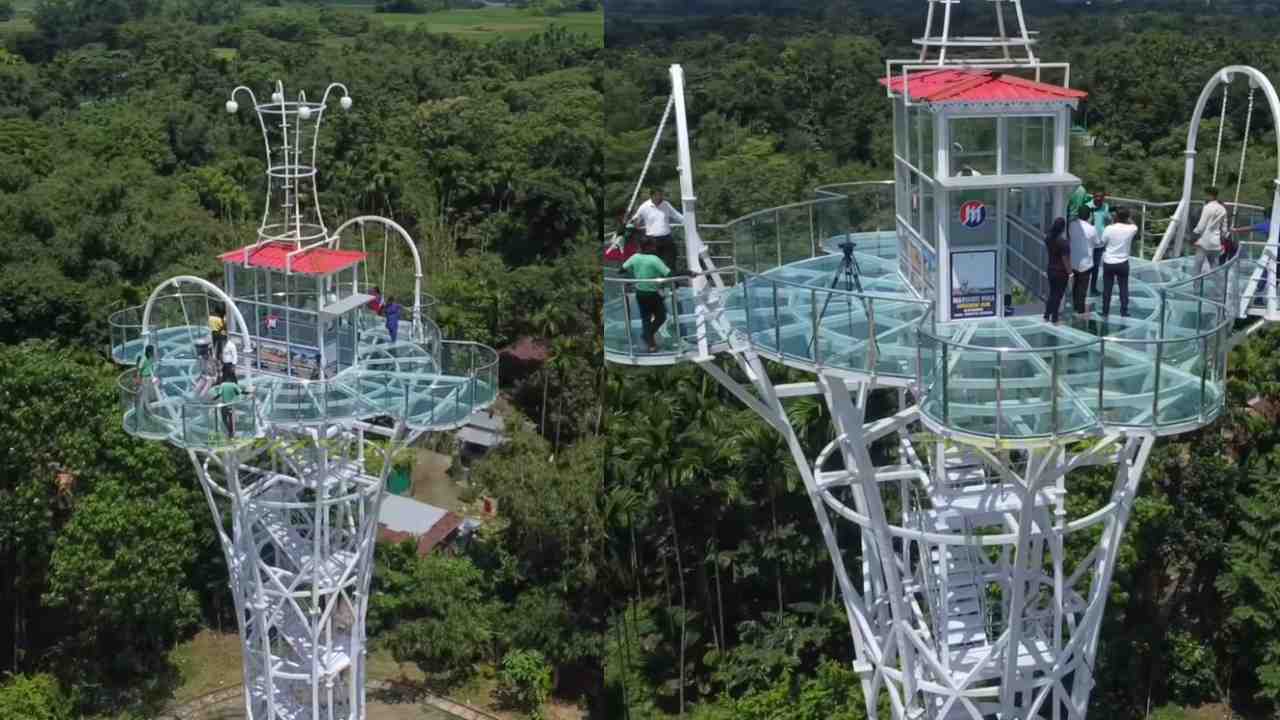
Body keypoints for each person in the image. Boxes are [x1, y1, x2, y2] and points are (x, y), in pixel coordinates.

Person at [621, 238, 673, 353]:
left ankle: (648, 338)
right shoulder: (654, 259)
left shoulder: (635, 257)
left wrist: (634, 275)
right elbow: (669, 273)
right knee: (661, 316)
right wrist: (688, 273)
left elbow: (622, 269)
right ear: (649, 247)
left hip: (640, 293)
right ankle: (649, 340)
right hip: (652, 294)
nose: (654, 248)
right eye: (653, 246)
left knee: (646, 319)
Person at [629, 188, 684, 272]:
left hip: (666, 238)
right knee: (653, 264)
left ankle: (674, 282)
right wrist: (633, 223)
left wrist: (690, 221)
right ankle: (655, 283)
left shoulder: (666, 204)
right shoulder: (644, 206)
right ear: (651, 196)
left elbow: (677, 216)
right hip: (651, 241)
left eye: (660, 195)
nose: (659, 197)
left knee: (671, 261)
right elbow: (636, 219)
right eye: (657, 195)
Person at [1231, 210, 1275, 306]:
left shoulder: (1269, 224)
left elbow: (1252, 228)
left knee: (1264, 275)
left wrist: (1235, 230)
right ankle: (1265, 297)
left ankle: (1258, 298)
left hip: (1273, 253)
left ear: (1266, 217)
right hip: (1275, 254)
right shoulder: (1275, 224)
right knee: (1272, 275)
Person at [1101, 207, 1139, 318]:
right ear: (1127, 217)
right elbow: (1133, 224)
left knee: (1107, 288)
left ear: (1116, 216)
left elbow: (1103, 242)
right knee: (1123, 288)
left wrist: (1114, 221)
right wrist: (1127, 218)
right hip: (1123, 263)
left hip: (1109, 262)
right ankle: (1124, 311)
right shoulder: (1132, 228)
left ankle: (1105, 312)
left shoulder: (1109, 228)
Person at [1067, 205, 1099, 317]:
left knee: (1075, 285)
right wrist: (1093, 225)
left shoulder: (1071, 225)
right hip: (1086, 262)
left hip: (1073, 260)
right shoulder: (1092, 228)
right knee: (1083, 287)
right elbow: (1097, 242)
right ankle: (1080, 309)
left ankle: (1075, 305)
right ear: (1089, 215)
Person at [1192, 186, 1228, 275]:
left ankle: (1196, 288)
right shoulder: (1223, 209)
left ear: (1210, 195)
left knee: (1197, 268)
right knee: (1215, 269)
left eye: (1205, 194)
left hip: (1204, 242)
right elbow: (1224, 229)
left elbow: (1201, 226)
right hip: (1216, 242)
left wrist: (1193, 236)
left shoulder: (1207, 207)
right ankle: (1217, 288)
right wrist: (1222, 242)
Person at [1043, 217, 1071, 324]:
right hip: (1061, 271)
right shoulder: (1063, 243)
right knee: (1058, 295)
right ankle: (1055, 318)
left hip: (1051, 269)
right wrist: (1070, 273)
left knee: (1052, 293)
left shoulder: (1048, 238)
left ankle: (1046, 315)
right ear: (1063, 228)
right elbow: (1065, 259)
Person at [1086, 190, 1112, 295]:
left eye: (1101, 197)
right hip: (1088, 241)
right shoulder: (1087, 206)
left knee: (1096, 267)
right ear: (1093, 197)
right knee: (1086, 265)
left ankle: (1093, 288)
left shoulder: (1105, 206)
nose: (1098, 199)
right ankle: (1083, 289)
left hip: (1100, 241)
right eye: (1096, 197)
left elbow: (1108, 219)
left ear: (1103, 198)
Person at [209, 368, 242, 438]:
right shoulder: (224, 384)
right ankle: (230, 432)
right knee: (227, 419)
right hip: (225, 405)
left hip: (226, 404)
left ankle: (231, 432)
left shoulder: (225, 384)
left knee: (229, 419)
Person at [135, 345, 157, 423]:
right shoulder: (144, 359)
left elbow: (152, 367)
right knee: (145, 395)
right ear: (149, 352)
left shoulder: (151, 358)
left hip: (150, 378)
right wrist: (138, 380)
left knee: (152, 394)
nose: (153, 353)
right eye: (152, 352)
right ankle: (148, 413)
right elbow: (139, 371)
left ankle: (151, 410)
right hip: (144, 379)